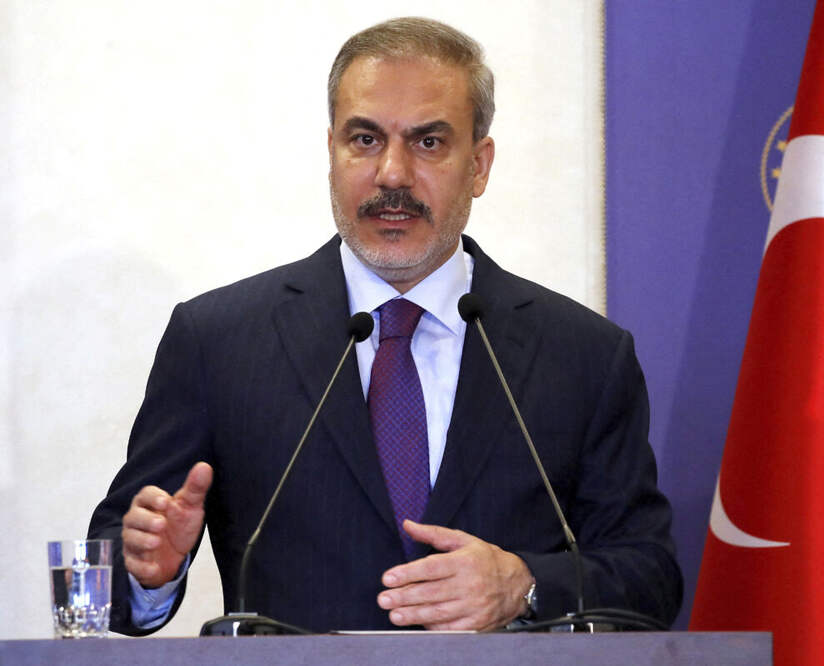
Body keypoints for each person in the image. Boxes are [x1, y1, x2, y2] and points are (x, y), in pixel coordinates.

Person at [88, 17, 682, 635]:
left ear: (479, 166)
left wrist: (524, 585)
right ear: (332, 153)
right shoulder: (219, 341)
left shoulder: (584, 355)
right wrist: (146, 572)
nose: (393, 175)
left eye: (428, 142)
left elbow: (650, 578)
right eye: (366, 139)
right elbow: (112, 563)